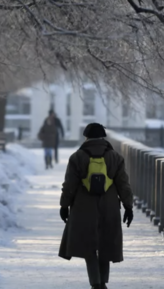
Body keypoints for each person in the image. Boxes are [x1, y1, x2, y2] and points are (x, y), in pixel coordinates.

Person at [58, 123, 133, 289]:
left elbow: (69, 185)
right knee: (105, 243)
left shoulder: (77, 157)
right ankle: (103, 282)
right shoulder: (115, 157)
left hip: (83, 206)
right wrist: (128, 206)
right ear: (103, 137)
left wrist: (64, 205)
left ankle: (95, 283)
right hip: (110, 205)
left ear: (86, 137)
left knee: (89, 246)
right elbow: (123, 185)